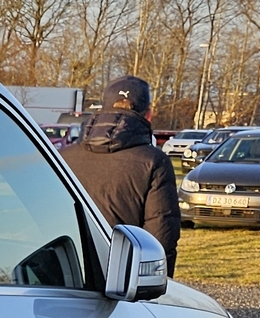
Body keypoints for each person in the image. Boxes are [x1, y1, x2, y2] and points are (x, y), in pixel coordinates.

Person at [59, 74, 179, 266]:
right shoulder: (154, 161)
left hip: (69, 272)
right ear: (149, 114)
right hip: (122, 278)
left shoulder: (64, 157)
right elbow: (160, 235)